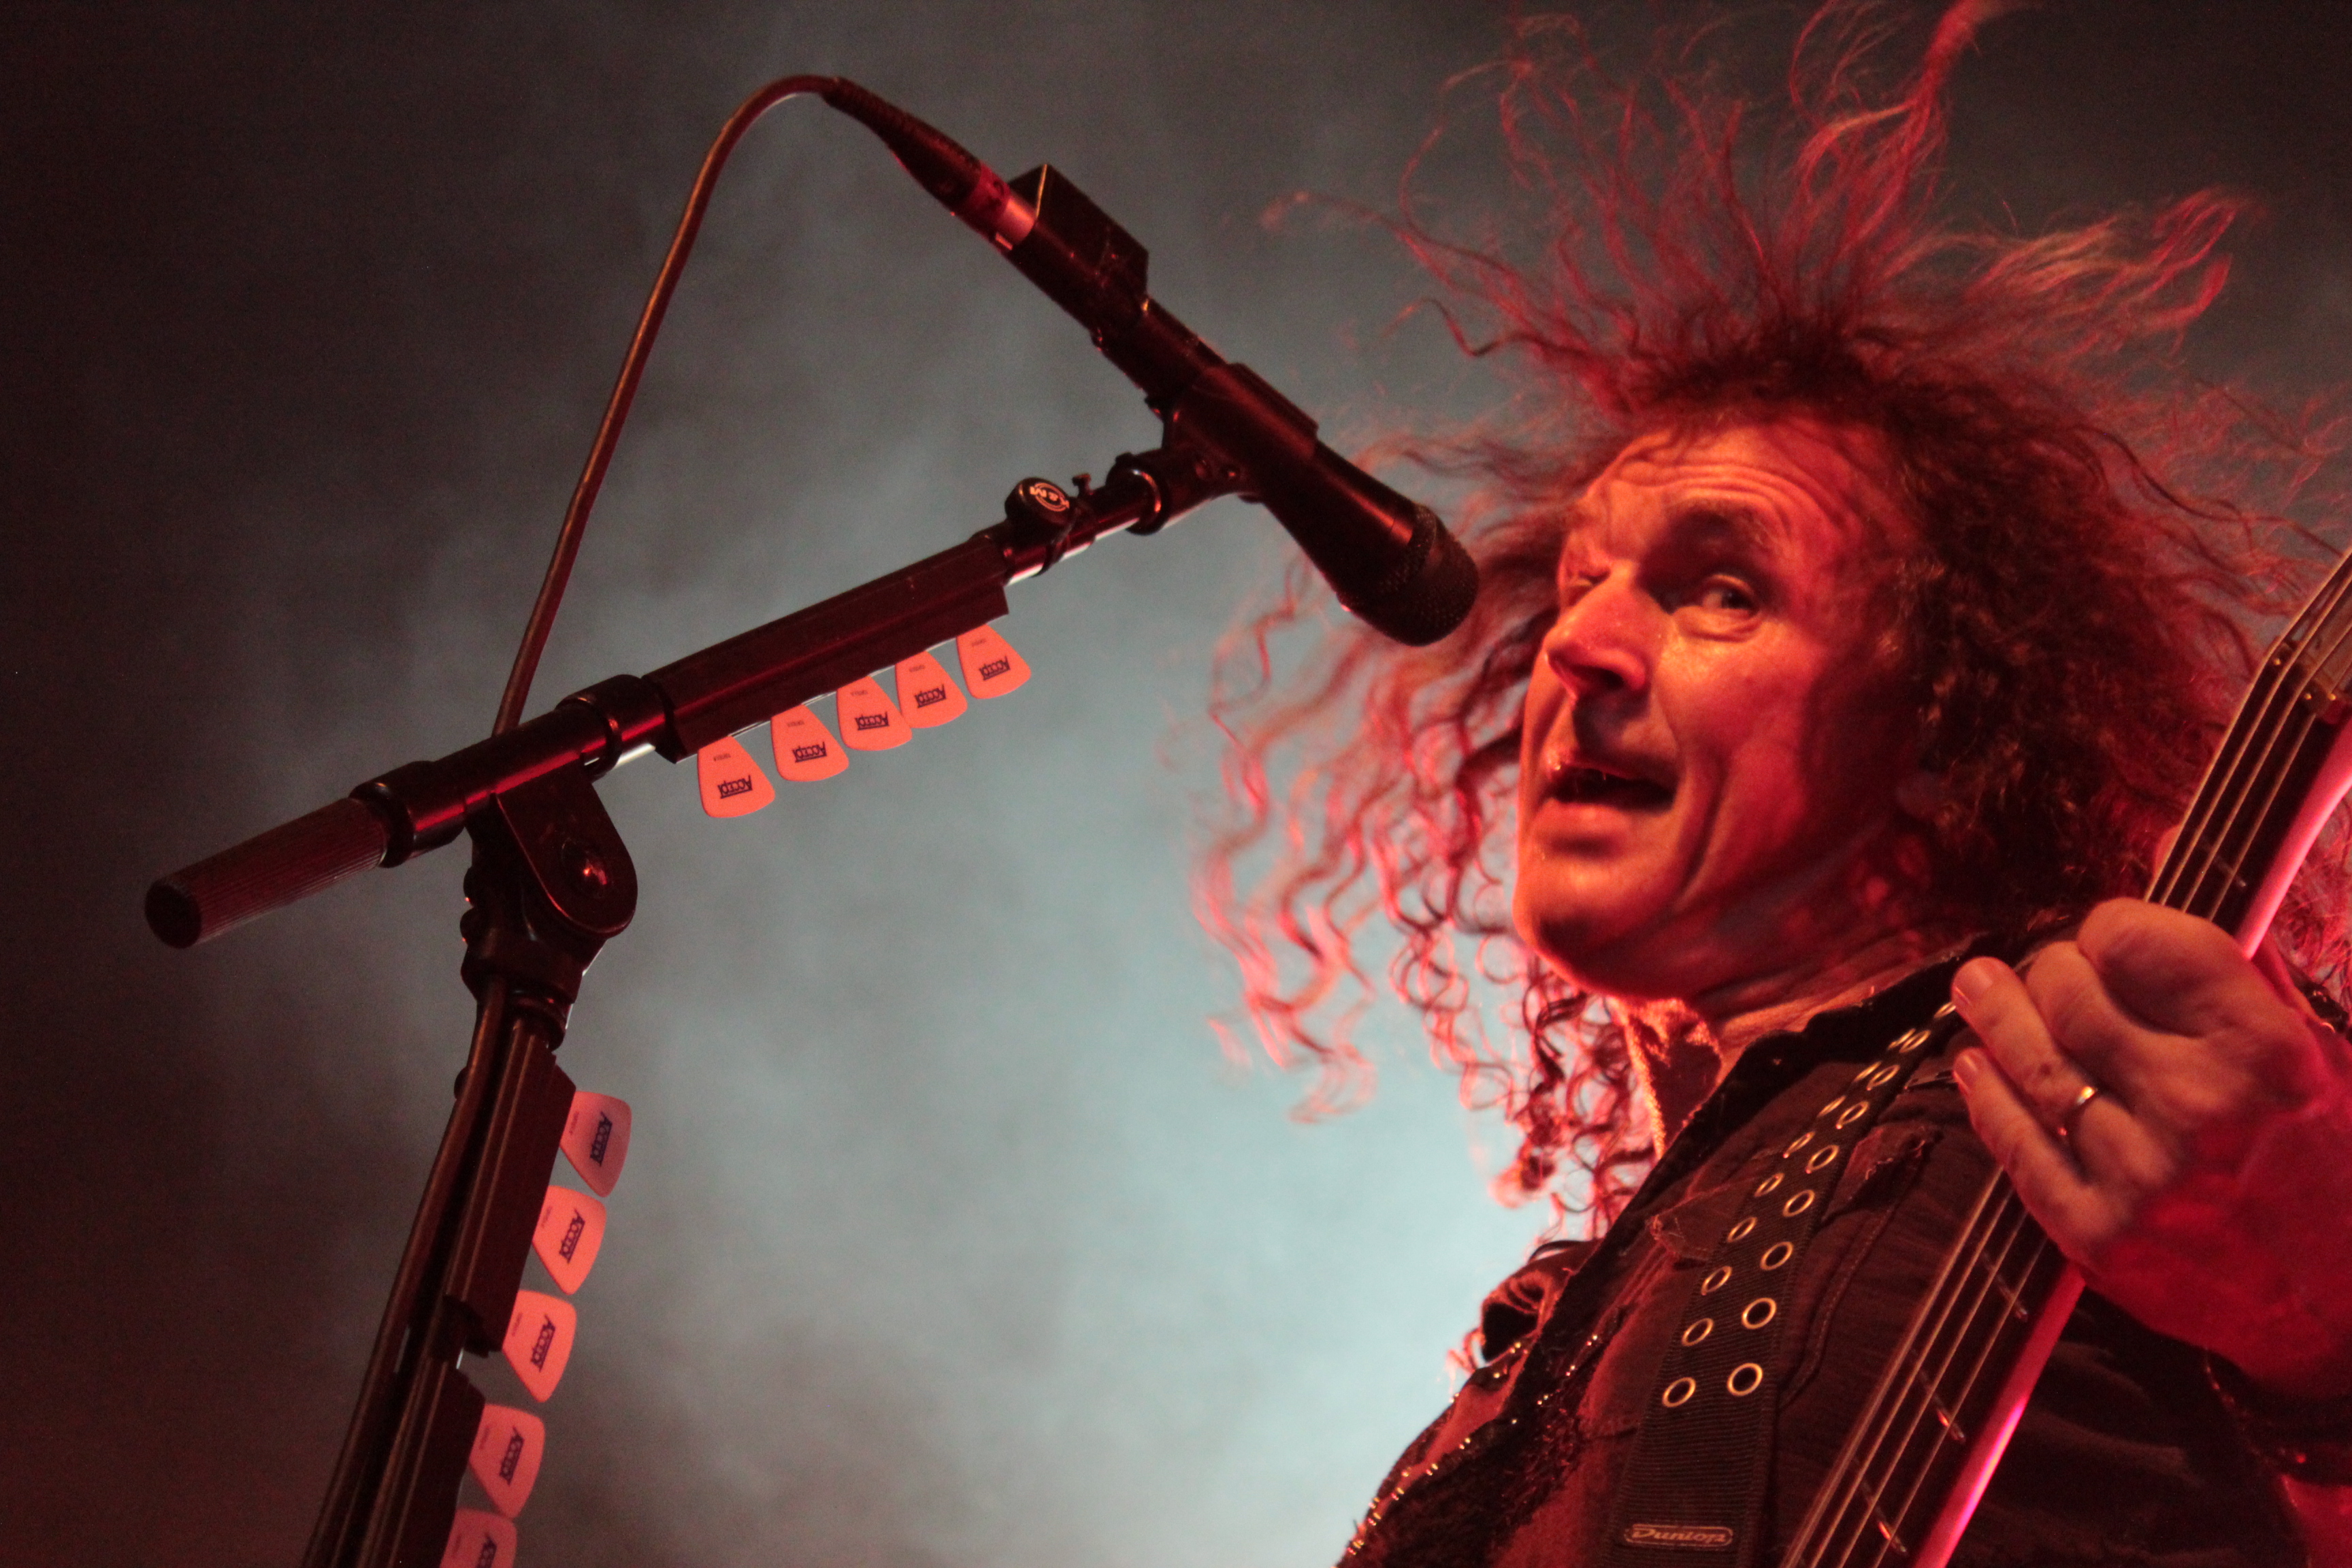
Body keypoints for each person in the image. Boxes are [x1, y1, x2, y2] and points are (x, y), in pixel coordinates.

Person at [1202, 5, 2352, 1563]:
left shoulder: (2128, 1089)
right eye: (1581, 589)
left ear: (1941, 732)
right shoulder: (1539, 1342)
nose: (1579, 647)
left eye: (1722, 592)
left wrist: (2325, 1326)